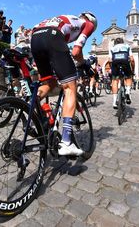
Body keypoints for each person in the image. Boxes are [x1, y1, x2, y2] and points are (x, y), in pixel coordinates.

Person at [30, 12, 97, 156]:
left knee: (50, 82)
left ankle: (28, 111)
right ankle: (66, 142)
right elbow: (76, 51)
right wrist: (84, 63)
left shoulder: (67, 19)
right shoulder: (88, 24)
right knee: (70, 88)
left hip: (35, 37)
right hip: (53, 36)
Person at [109, 37, 134, 108]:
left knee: (114, 81)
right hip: (125, 62)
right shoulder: (127, 46)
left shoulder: (112, 48)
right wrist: (133, 69)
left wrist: (112, 68)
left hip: (115, 63)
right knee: (129, 77)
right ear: (122, 42)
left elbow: (110, 60)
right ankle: (128, 92)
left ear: (115, 43)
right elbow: (132, 59)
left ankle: (114, 102)